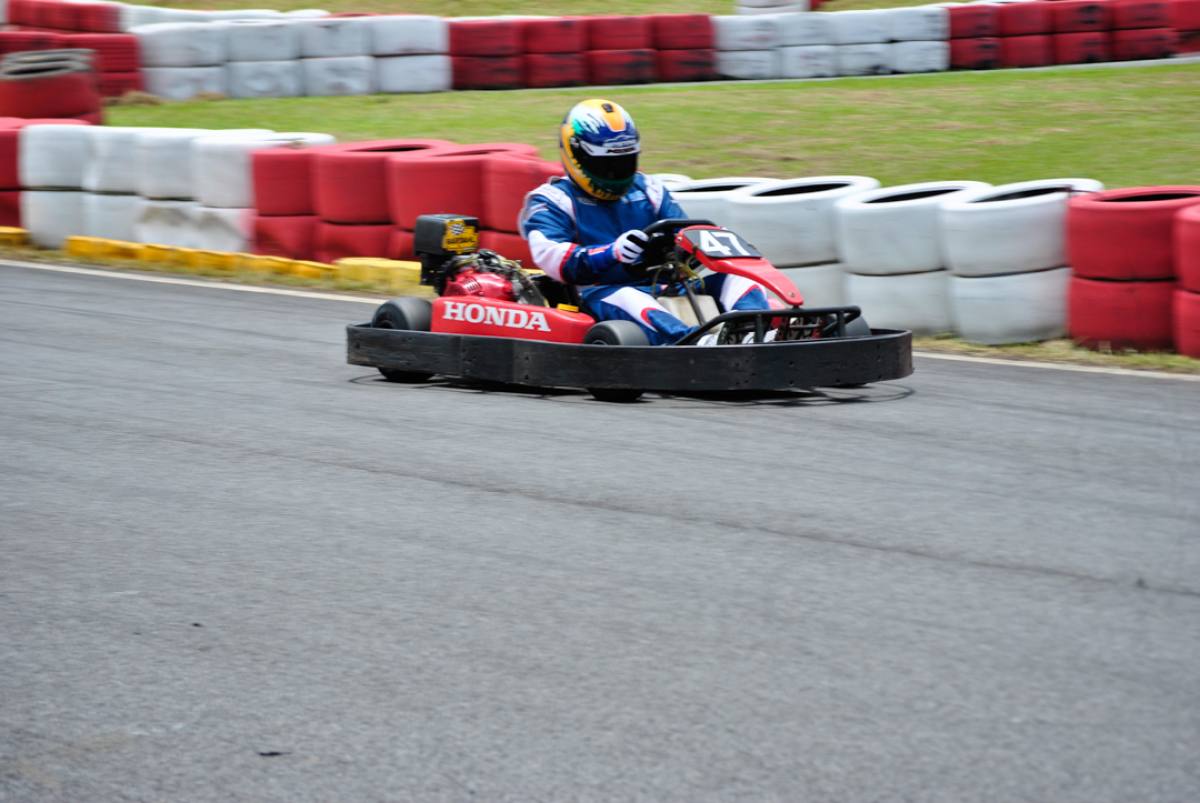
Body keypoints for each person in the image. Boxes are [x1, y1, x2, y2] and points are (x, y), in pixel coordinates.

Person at [518, 98, 772, 345]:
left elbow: (682, 232)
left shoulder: (649, 189)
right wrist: (611, 253)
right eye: (607, 163)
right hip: (601, 294)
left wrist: (704, 241)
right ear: (577, 155)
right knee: (630, 297)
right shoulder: (552, 200)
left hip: (667, 285)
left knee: (740, 279)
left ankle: (751, 332)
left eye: (623, 161)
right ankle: (695, 343)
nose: (616, 171)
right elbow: (555, 259)